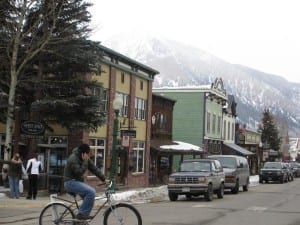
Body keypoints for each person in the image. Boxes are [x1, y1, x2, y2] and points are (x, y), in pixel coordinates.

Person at [64, 143, 106, 220]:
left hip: (77, 182)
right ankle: (82, 214)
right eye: (88, 153)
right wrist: (85, 162)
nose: (89, 155)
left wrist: (104, 179)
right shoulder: (73, 159)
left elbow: (94, 169)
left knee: (90, 199)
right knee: (91, 192)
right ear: (83, 153)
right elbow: (79, 172)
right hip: (70, 182)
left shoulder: (84, 157)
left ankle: (81, 219)